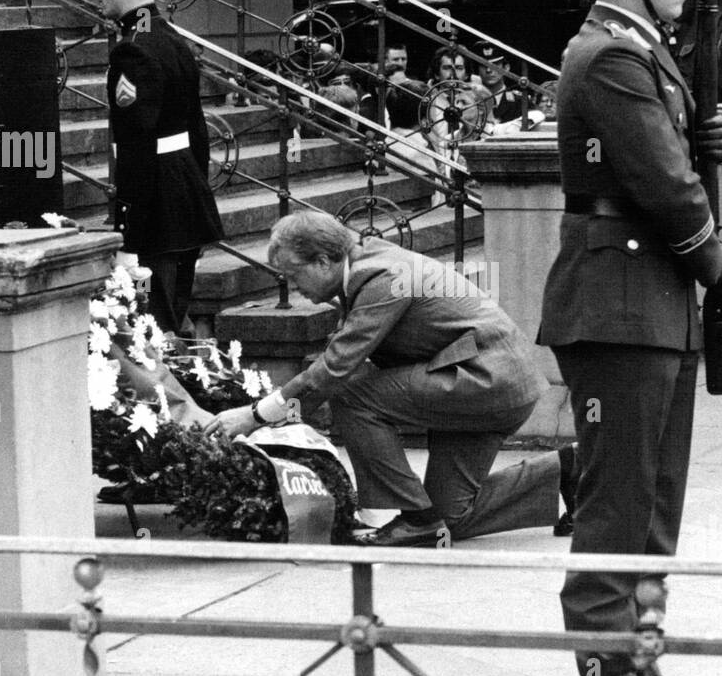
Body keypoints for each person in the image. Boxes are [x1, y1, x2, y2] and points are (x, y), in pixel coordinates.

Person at [538, 0, 722, 676]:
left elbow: (671, 159)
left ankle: (640, 662)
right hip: (620, 305)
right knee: (616, 510)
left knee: (654, 507)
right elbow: (663, 186)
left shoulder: (643, 51)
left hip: (647, 302)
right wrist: (716, 261)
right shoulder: (613, 59)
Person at [206, 210, 577, 546]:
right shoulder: (368, 264)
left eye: (292, 275)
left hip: (485, 381)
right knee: (448, 522)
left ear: (322, 261)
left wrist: (255, 416)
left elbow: (337, 368)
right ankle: (566, 469)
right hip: (489, 380)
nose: (291, 286)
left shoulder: (380, 277)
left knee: (351, 392)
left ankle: (414, 517)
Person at [89, 0, 225, 335]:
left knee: (155, 332)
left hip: (157, 212)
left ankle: (179, 400)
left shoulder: (135, 49)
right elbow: (196, 131)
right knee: (170, 322)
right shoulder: (169, 38)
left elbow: (135, 147)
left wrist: (129, 235)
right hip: (181, 198)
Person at [473, 40, 525, 124]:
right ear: (477, 69)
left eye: (495, 65)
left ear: (506, 68)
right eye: (483, 65)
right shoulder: (470, 100)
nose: (489, 70)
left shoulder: (520, 101)